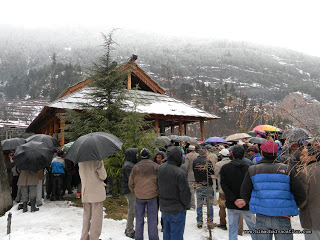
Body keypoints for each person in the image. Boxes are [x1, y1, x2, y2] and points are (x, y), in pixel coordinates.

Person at [241, 140, 306, 240]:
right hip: (283, 215)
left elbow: (244, 193)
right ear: (276, 153)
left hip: (262, 215)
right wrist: (290, 206)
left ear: (261, 153)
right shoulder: (287, 169)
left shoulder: (253, 170)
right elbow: (300, 193)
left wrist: (256, 204)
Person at [220, 145, 256, 240]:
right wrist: (245, 199)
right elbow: (252, 185)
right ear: (243, 154)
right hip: (246, 204)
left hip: (232, 204)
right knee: (253, 227)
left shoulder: (225, 168)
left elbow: (224, 186)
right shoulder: (249, 168)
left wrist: (234, 199)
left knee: (233, 228)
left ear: (232, 155)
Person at [157, 146, 191, 240]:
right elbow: (184, 192)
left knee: (166, 234)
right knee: (176, 235)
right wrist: (186, 205)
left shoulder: (160, 168)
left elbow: (157, 186)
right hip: (177, 208)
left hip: (164, 206)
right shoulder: (180, 172)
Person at [129, 148, 160, 240]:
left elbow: (131, 183)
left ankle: (138, 237)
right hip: (152, 196)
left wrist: (135, 191)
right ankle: (153, 237)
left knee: (139, 219)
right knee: (152, 220)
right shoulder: (155, 166)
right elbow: (159, 181)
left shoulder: (136, 167)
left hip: (139, 196)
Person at [79, 160, 107, 240]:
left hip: (85, 190)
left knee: (86, 216)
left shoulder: (81, 161)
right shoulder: (97, 160)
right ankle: (94, 237)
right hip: (96, 191)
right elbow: (103, 176)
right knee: (96, 216)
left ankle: (84, 236)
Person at [298, 145, 320, 240]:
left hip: (313, 218)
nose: (300, 157)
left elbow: (303, 198)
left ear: (312, 157)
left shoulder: (306, 173)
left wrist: (300, 205)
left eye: (303, 155)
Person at [193, 145, 215, 229]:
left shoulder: (195, 161)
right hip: (208, 185)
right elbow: (211, 172)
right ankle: (210, 222)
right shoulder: (208, 161)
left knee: (199, 204)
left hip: (199, 184)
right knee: (209, 204)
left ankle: (199, 221)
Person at [121, 148, 138, 239]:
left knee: (132, 209)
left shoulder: (130, 164)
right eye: (136, 154)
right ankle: (129, 230)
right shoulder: (129, 166)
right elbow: (132, 180)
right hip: (130, 191)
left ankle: (128, 227)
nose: (137, 156)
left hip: (129, 190)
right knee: (132, 210)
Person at [214, 148, 231, 230]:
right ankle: (233, 223)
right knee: (231, 207)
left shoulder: (218, 164)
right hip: (232, 189)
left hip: (222, 188)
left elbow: (216, 175)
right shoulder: (232, 163)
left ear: (221, 155)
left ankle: (223, 223)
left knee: (222, 207)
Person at [184, 145, 198, 209]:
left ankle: (192, 205)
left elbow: (186, 166)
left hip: (190, 176)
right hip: (197, 175)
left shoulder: (188, 156)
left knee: (191, 192)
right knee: (198, 191)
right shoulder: (198, 155)